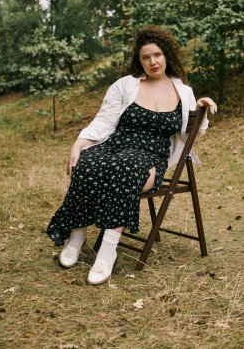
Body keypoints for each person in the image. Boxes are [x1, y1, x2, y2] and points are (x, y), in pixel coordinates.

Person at [47, 25, 217, 285]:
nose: (153, 61)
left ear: (166, 55)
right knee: (89, 160)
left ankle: (107, 251)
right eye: (146, 57)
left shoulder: (183, 91)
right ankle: (77, 235)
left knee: (127, 167)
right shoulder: (126, 85)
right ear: (139, 60)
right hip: (115, 144)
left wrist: (200, 107)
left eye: (157, 55)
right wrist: (80, 142)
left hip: (150, 155)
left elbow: (193, 131)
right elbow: (104, 120)